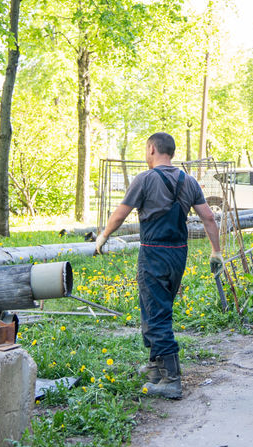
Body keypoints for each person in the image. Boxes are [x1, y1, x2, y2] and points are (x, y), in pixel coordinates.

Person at [92, 132, 223, 400]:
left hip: (153, 253)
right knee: (155, 309)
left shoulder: (145, 179)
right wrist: (216, 251)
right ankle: (155, 367)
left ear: (152, 149)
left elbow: (120, 214)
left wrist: (103, 237)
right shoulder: (189, 181)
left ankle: (171, 379)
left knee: (156, 315)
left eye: (145, 149)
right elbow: (208, 217)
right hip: (178, 254)